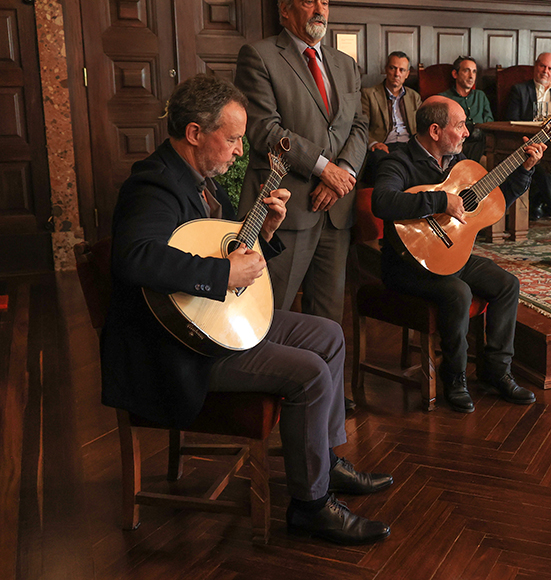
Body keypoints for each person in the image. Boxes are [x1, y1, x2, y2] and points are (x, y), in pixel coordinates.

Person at [101, 74, 393, 547]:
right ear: (195, 133)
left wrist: (265, 232)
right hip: (177, 349)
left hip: (204, 321)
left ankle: (325, 459)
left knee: (328, 335)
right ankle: (310, 506)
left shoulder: (194, 180)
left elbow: (215, 249)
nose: (240, 151)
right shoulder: (154, 184)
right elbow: (134, 257)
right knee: (310, 373)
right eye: (233, 138)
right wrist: (222, 276)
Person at [371, 98, 544, 413]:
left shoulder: (459, 164)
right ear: (435, 130)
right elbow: (382, 202)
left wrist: (525, 170)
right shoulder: (398, 161)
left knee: (507, 284)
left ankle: (496, 371)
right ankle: (455, 379)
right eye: (460, 125)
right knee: (458, 292)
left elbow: (495, 202)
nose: (467, 133)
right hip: (406, 266)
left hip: (449, 256)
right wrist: (440, 202)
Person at [234, 0, 368, 330]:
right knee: (269, 314)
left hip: (336, 211)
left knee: (327, 321)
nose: (320, 10)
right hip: (286, 211)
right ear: (285, 10)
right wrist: (326, 169)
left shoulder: (346, 65)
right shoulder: (259, 56)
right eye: (309, 1)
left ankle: (325, 389)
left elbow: (359, 126)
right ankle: (268, 386)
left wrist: (344, 174)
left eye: (325, 2)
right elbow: (264, 130)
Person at [504, 52, 551, 219]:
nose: (545, 71)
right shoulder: (520, 90)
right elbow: (512, 120)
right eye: (542, 66)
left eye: (550, 68)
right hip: (528, 141)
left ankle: (540, 202)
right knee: (539, 162)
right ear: (535, 66)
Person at [360, 51, 421, 183]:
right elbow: (361, 126)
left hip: (409, 144)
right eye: (393, 68)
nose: (397, 74)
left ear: (407, 74)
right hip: (384, 145)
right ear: (386, 69)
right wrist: (374, 144)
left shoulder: (414, 96)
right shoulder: (369, 94)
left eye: (402, 70)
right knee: (379, 162)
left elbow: (421, 126)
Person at [439, 55, 494, 163]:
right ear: (455, 74)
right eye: (466, 71)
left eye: (474, 72)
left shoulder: (480, 96)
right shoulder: (444, 98)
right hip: (458, 143)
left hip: (480, 142)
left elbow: (490, 123)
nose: (471, 76)